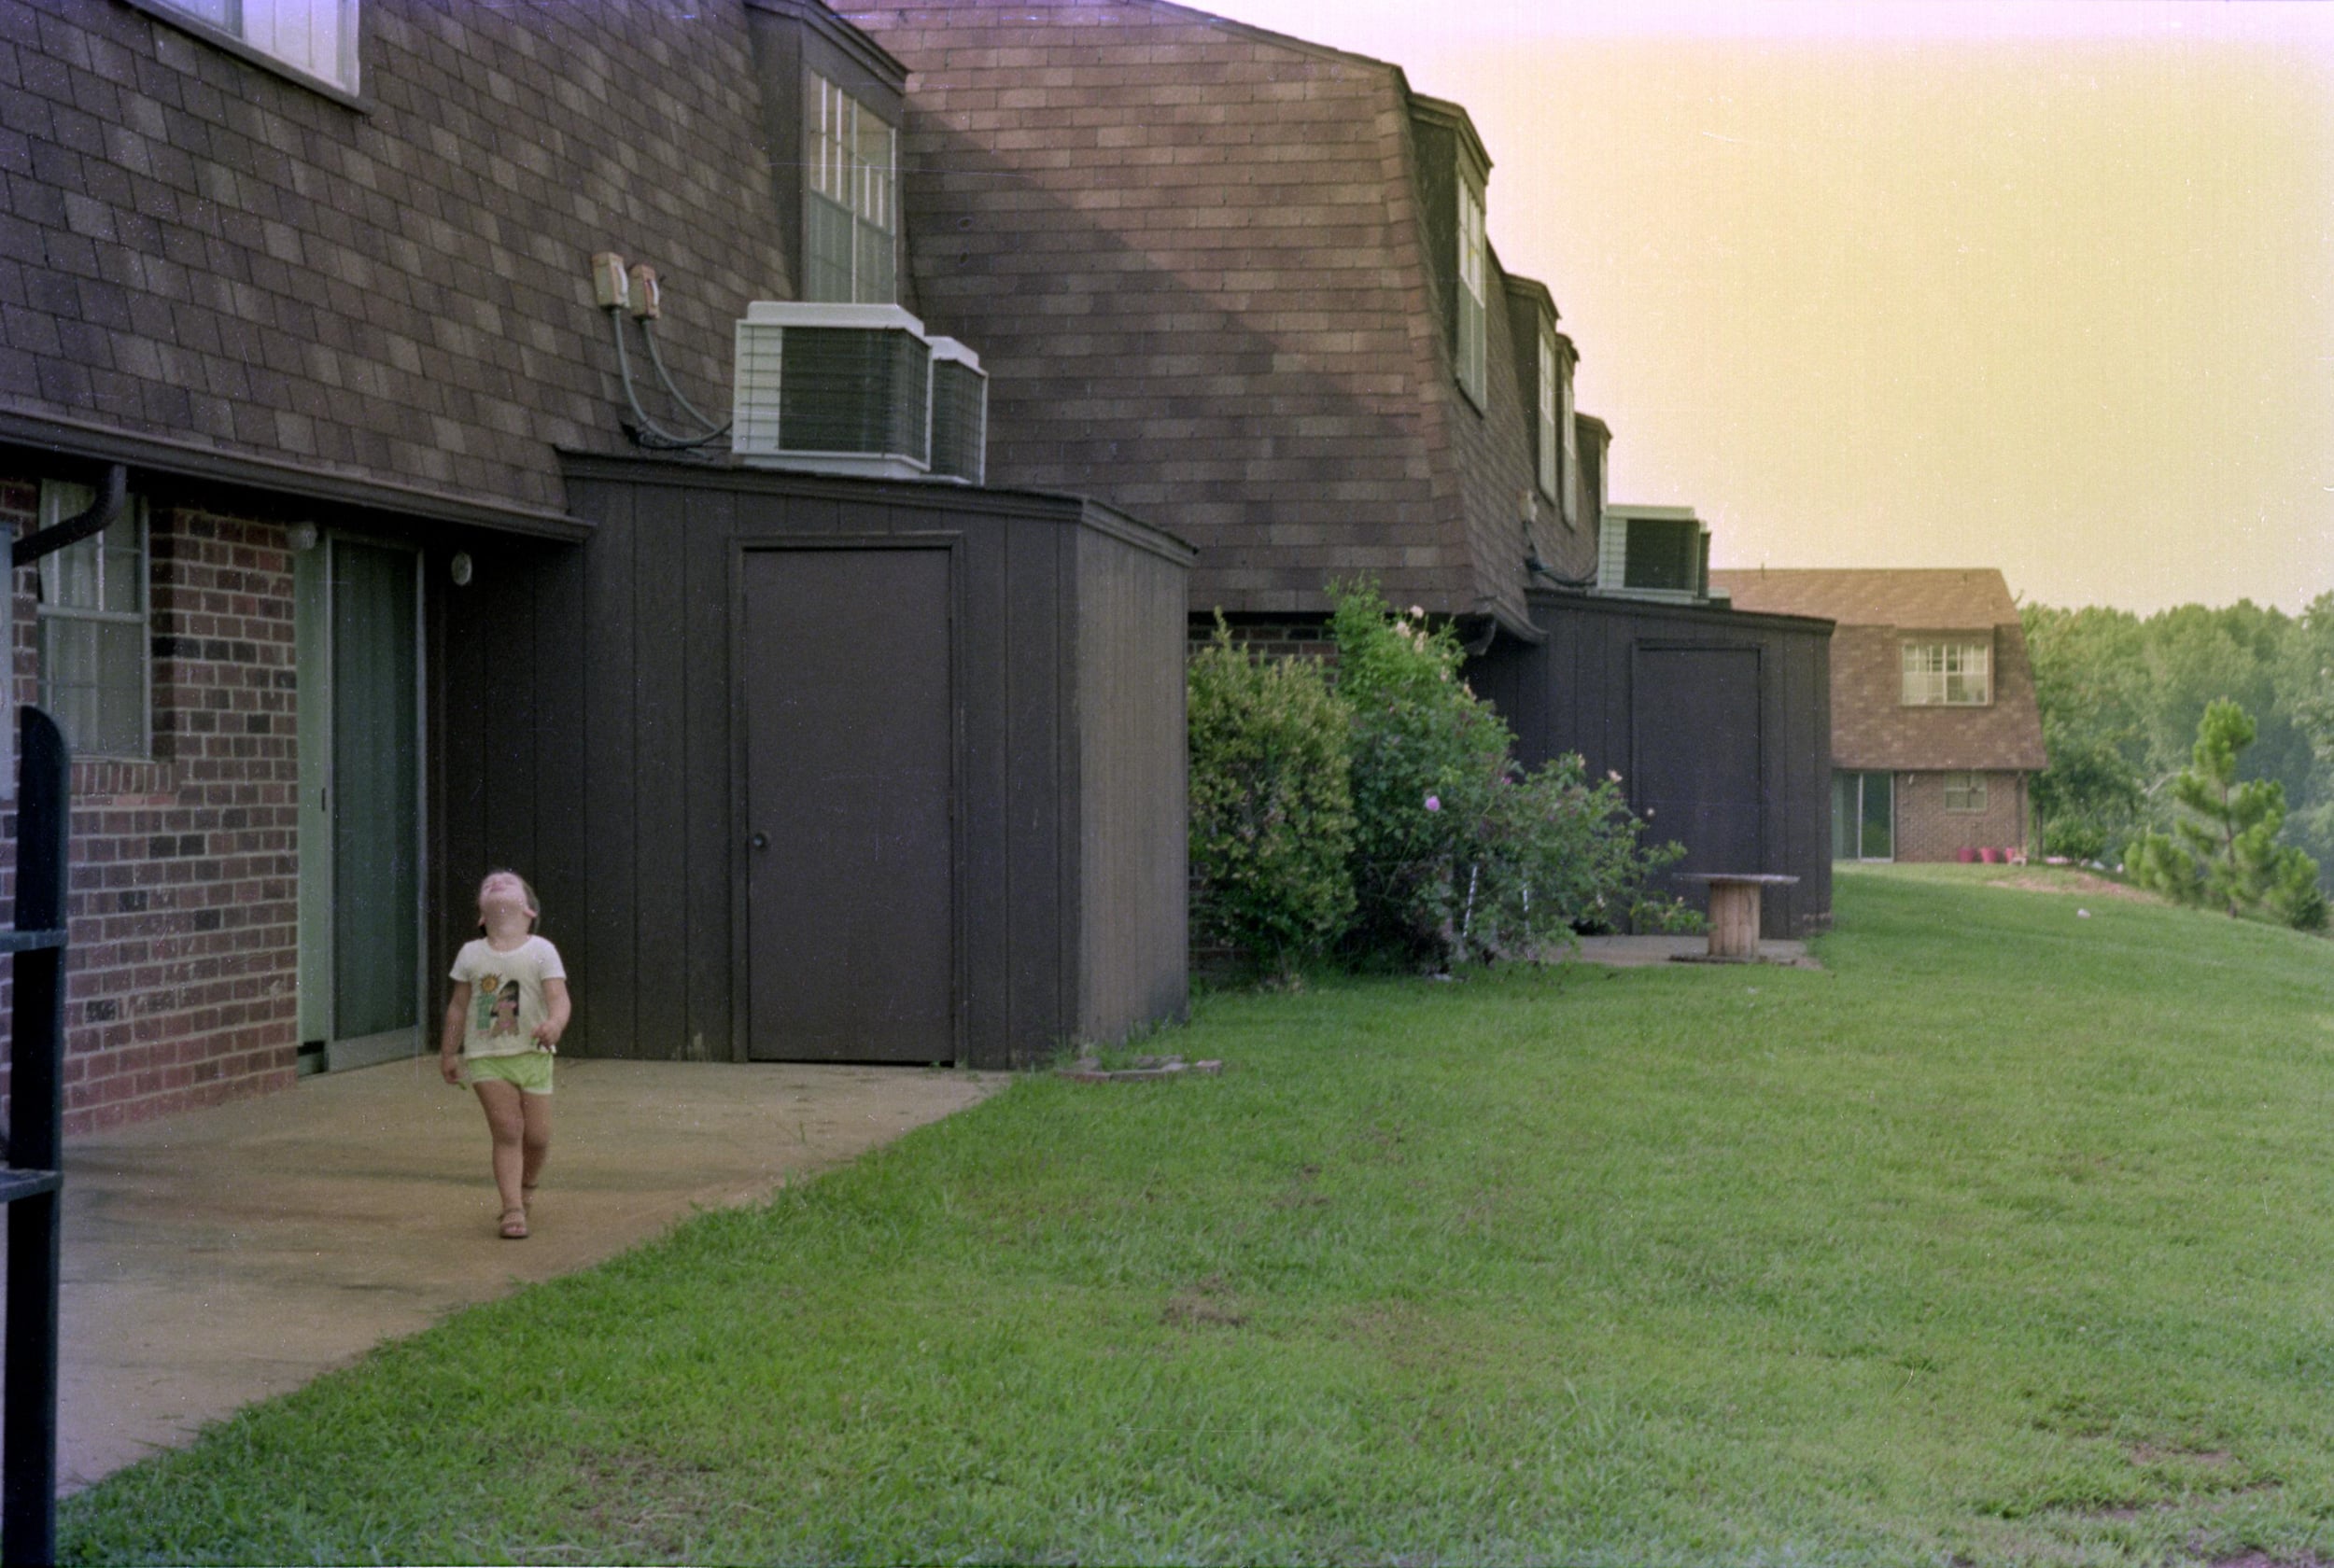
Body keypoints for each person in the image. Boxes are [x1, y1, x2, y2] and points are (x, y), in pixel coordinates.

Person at [441, 870, 570, 1239]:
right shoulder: (471, 953)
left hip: (533, 1054)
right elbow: (458, 1008)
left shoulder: (542, 950)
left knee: (538, 1138)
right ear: (482, 916)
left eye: (508, 882)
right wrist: (449, 1052)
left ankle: (527, 1186)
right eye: (488, 884)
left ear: (529, 910)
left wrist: (555, 1024)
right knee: (508, 1130)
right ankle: (512, 1207)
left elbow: (559, 998)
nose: (496, 882)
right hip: (487, 1056)